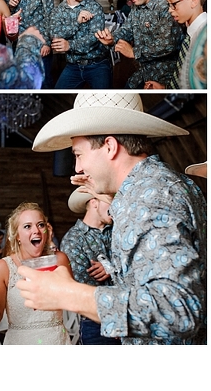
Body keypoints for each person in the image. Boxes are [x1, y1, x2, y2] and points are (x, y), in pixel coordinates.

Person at [24, 92, 205, 344]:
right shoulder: (153, 188)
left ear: (109, 146)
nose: (77, 168)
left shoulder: (152, 197)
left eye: (78, 154)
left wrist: (69, 294)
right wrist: (108, 197)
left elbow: (178, 311)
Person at [0, 202, 73, 344]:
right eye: (27, 226)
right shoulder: (3, 267)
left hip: (57, 341)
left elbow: (72, 302)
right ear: (17, 236)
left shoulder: (60, 260)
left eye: (40, 225)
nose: (36, 231)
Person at [95, 0, 184, 88]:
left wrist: (134, 52)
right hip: (143, 71)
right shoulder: (137, 6)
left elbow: (168, 44)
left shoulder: (165, 4)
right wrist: (112, 38)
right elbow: (127, 29)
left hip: (165, 75)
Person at [59, 187, 119, 345]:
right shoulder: (73, 240)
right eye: (111, 202)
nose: (117, 207)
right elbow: (85, 288)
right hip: (95, 324)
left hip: (130, 316)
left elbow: (138, 267)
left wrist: (112, 268)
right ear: (94, 203)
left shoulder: (120, 231)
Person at [49, 0, 111, 88]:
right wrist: (76, 22)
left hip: (97, 65)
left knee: (105, 98)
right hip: (72, 66)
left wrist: (69, 45)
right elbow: (54, 34)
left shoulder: (94, 7)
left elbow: (95, 37)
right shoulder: (57, 11)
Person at [145, 0, 207, 89]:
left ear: (193, 1)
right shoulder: (190, 32)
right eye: (168, 5)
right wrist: (165, 88)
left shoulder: (205, 39)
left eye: (174, 4)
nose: (170, 10)